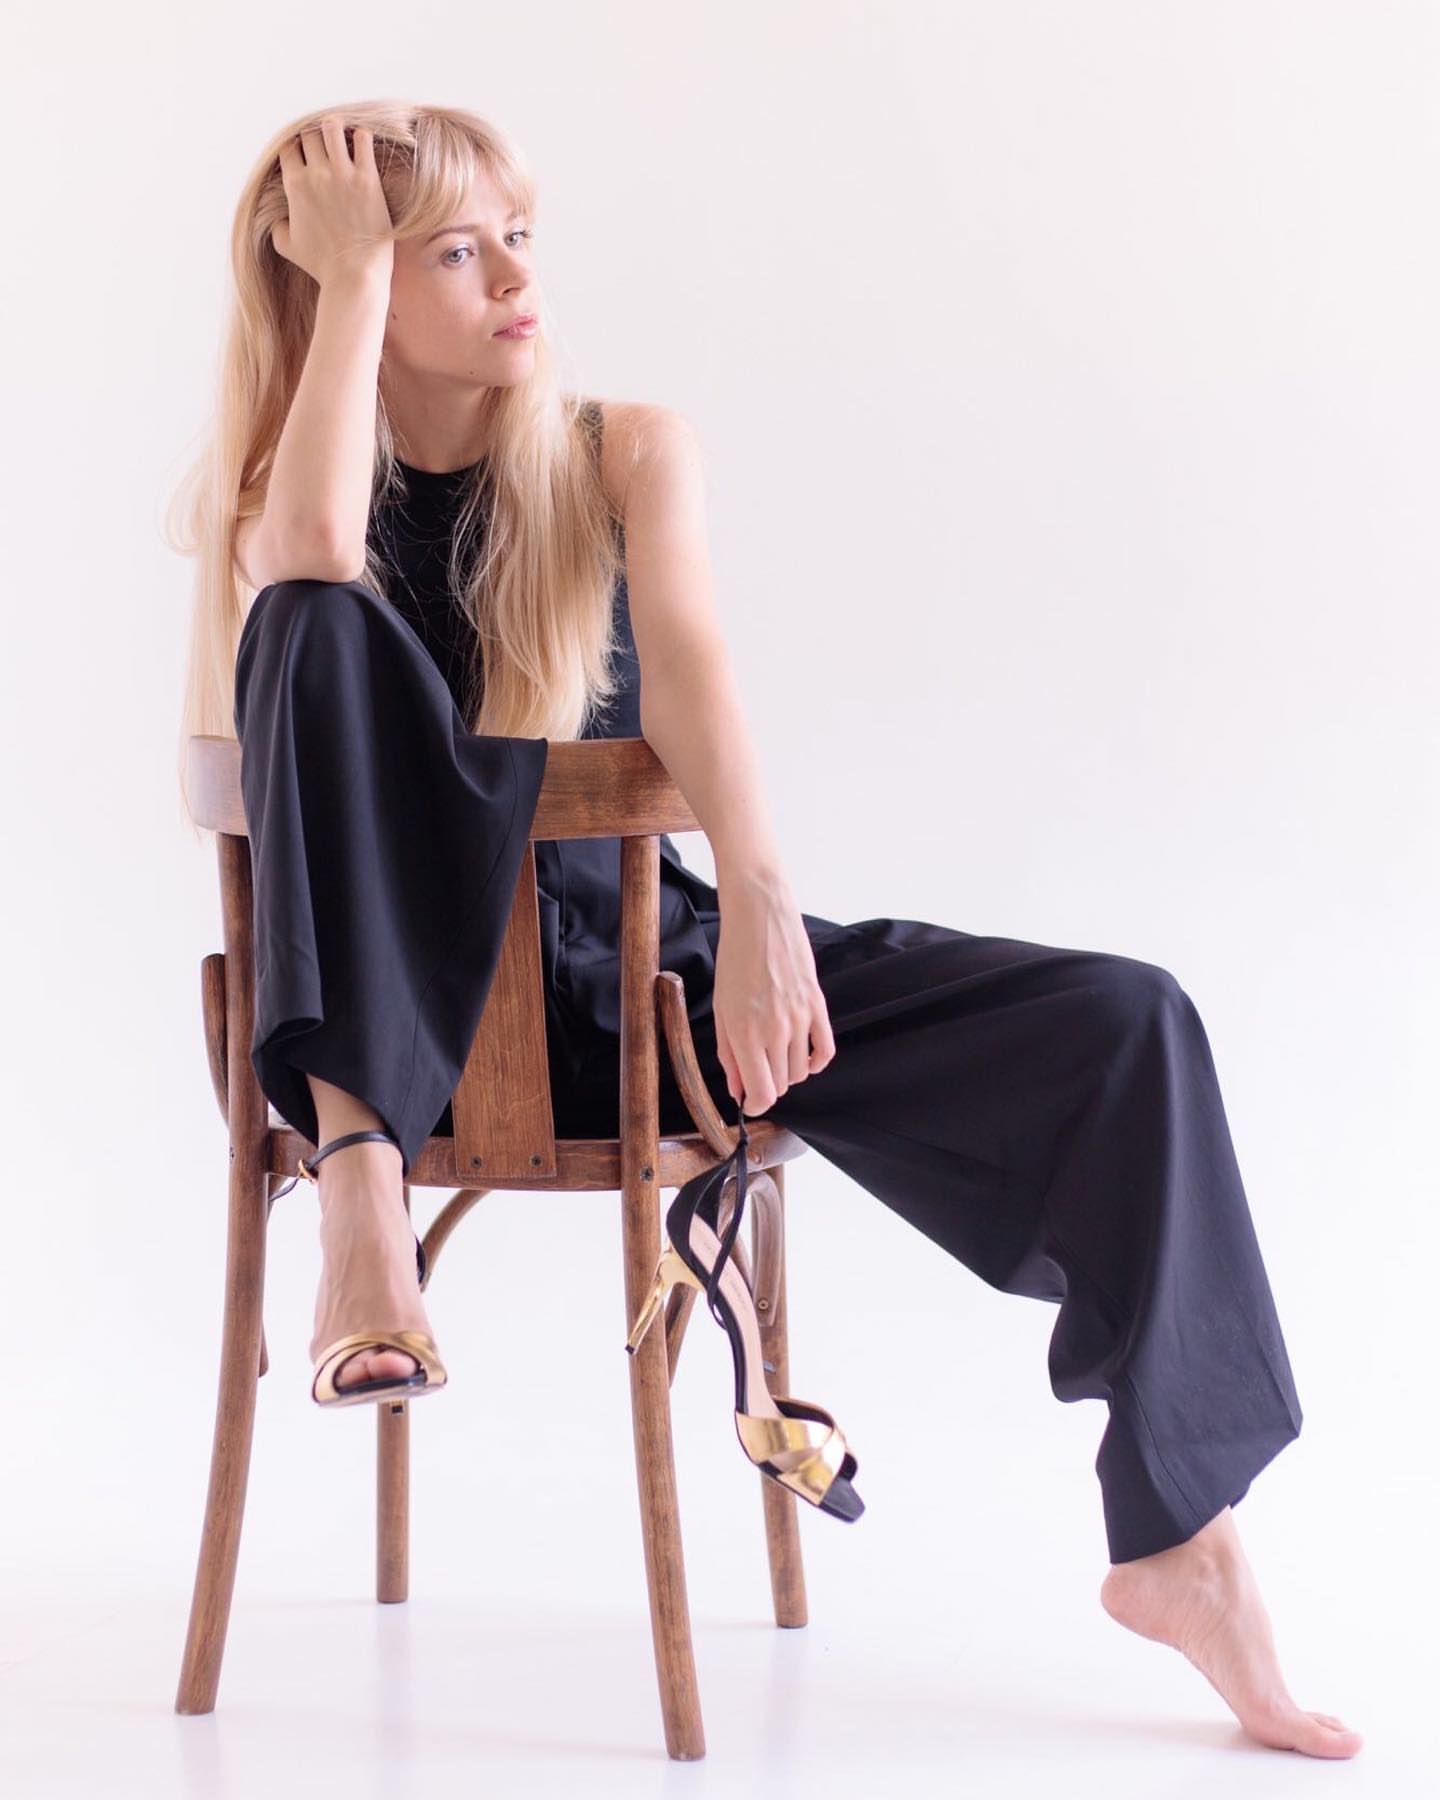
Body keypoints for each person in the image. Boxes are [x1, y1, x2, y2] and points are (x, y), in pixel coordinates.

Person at [171, 101, 1361, 1758]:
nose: (514, 277)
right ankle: (358, 1192)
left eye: (521, 235)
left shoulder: (622, 452)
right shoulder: (284, 495)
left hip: (638, 1002)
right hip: (380, 1032)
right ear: (343, 280)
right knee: (311, 622)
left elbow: (695, 671)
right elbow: (309, 561)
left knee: (1130, 1024)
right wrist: (354, 281)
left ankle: (1185, 1543)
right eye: (452, 250)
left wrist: (762, 915)